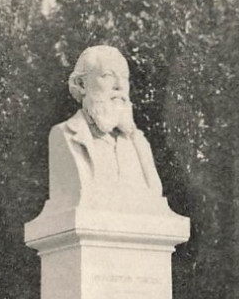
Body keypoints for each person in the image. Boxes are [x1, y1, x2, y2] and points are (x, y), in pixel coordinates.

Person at [47, 44, 165, 208]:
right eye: (108, 75)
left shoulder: (139, 142)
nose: (119, 85)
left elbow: (155, 197)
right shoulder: (64, 135)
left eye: (124, 77)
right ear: (82, 84)